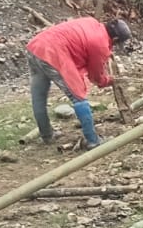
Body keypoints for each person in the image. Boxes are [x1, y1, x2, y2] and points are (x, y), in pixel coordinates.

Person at [26, 16, 130, 147]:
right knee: (79, 97)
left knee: (39, 97)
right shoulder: (101, 44)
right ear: (115, 39)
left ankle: (47, 135)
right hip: (53, 52)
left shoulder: (91, 21)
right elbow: (95, 76)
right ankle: (93, 140)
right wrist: (107, 81)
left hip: (35, 47)